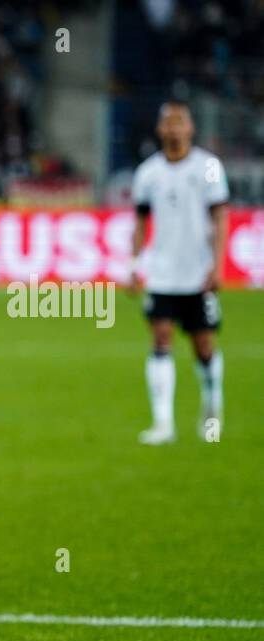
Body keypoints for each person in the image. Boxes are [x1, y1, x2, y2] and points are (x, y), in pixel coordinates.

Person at [131, 100, 230, 444]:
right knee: (160, 338)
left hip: (197, 272)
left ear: (191, 128)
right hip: (161, 273)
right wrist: (134, 265)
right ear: (159, 130)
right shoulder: (147, 172)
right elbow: (141, 222)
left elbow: (220, 218)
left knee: (203, 344)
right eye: (168, 123)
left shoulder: (209, 167)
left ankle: (211, 407)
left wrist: (218, 265)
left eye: (179, 122)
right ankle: (163, 423)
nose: (173, 128)